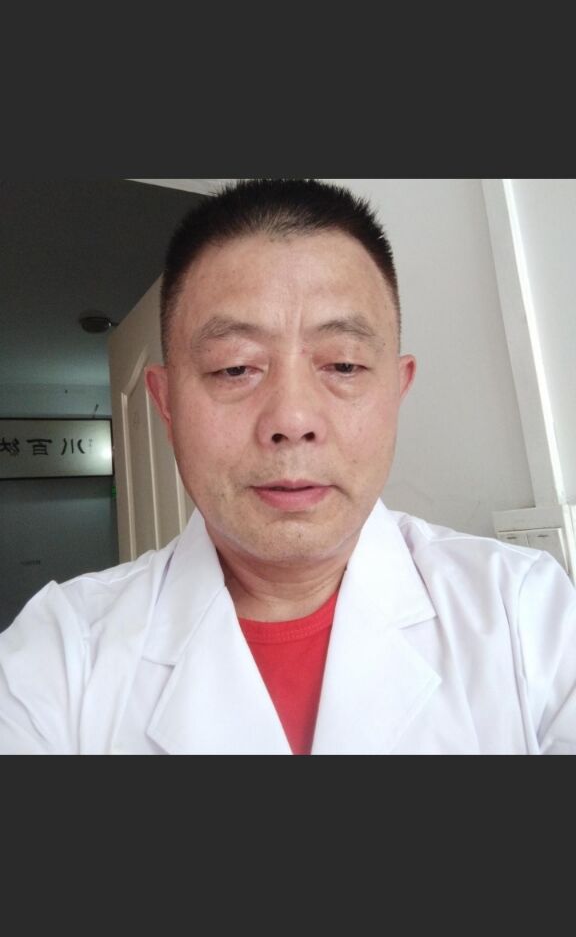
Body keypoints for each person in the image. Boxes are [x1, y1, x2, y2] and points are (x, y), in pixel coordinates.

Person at [1, 178, 575, 754]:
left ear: (397, 390)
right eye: (235, 368)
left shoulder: (528, 614)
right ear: (166, 403)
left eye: (343, 365)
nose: (293, 418)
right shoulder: (61, 654)